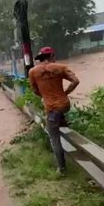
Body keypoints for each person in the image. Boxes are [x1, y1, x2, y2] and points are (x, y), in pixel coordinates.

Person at [28, 46, 80, 174]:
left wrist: (45, 96)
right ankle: (63, 121)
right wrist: (65, 93)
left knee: (54, 138)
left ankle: (61, 169)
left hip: (51, 108)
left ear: (40, 59)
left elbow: (35, 90)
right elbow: (75, 81)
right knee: (59, 117)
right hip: (64, 105)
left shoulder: (33, 72)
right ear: (52, 56)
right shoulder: (60, 67)